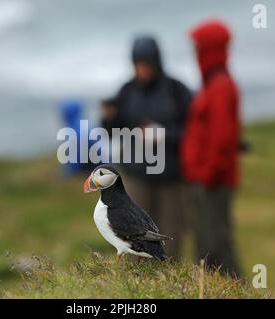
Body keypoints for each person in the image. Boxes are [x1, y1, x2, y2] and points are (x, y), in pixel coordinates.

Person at [101, 36, 192, 259]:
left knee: (169, 239)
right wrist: (109, 118)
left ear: (157, 62)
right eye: (137, 64)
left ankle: (170, 285)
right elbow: (113, 131)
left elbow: (195, 132)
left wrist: (164, 134)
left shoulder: (176, 90)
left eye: (146, 64)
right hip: (136, 178)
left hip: (171, 179)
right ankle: (137, 288)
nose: (141, 70)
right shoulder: (127, 91)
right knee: (133, 237)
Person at [180, 20, 241, 276]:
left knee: (214, 247)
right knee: (208, 244)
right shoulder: (214, 84)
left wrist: (206, 176)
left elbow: (223, 140)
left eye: (198, 47)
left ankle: (234, 291)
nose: (195, 53)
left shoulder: (220, 87)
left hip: (211, 184)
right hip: (206, 181)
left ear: (210, 49)